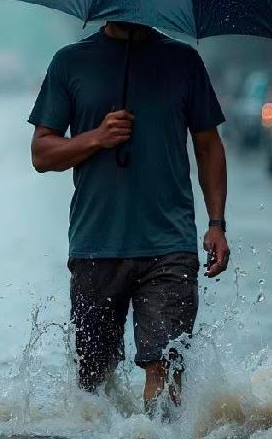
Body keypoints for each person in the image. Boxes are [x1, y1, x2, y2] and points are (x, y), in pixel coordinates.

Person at [28, 21, 231, 417]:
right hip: (95, 244)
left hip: (169, 245)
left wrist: (217, 223)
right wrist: (97, 137)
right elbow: (41, 153)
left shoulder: (183, 61)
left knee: (166, 366)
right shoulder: (70, 62)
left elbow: (209, 145)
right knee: (93, 380)